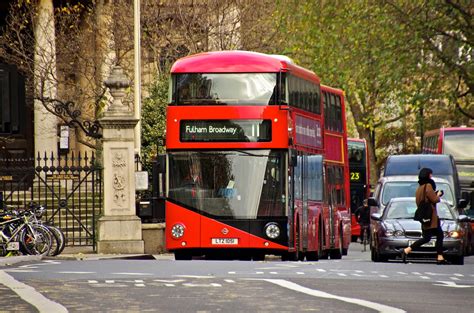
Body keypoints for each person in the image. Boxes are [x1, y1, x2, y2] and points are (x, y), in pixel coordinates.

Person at [400, 167, 449, 264]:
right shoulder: (428, 186)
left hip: (425, 216)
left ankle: (407, 250)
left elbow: (423, 200)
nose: (431, 176)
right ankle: (439, 257)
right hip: (431, 217)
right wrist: (438, 194)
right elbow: (434, 199)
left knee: (428, 237)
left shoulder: (419, 188)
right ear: (427, 175)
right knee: (438, 235)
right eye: (430, 174)